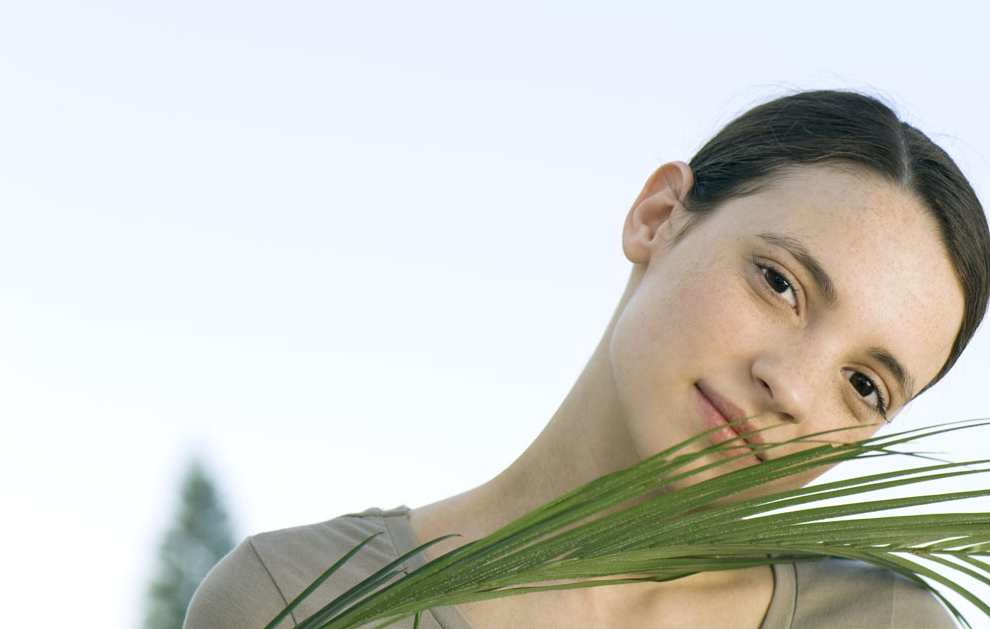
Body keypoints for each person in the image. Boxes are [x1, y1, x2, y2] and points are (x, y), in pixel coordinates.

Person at [184, 90, 990, 629]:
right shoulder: (295, 598)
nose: (790, 388)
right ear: (658, 216)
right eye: (780, 283)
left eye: (864, 385)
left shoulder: (882, 622)